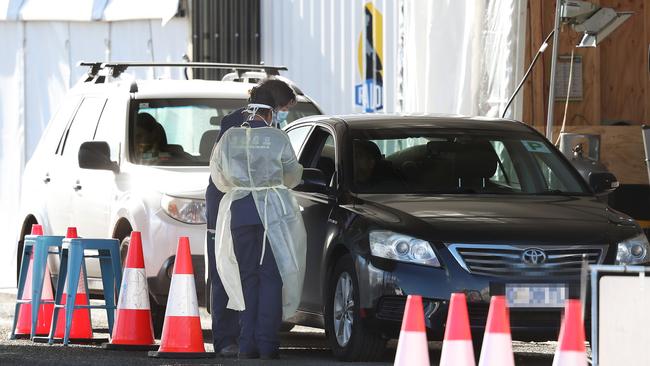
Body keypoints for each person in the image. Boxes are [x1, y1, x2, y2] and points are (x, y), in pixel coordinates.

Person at [206, 79, 305, 359]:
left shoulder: (230, 134)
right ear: (272, 109)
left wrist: (241, 187)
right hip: (271, 213)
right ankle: (267, 344)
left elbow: (218, 175)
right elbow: (293, 175)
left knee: (246, 276)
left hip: (239, 211)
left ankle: (246, 345)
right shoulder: (277, 138)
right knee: (271, 278)